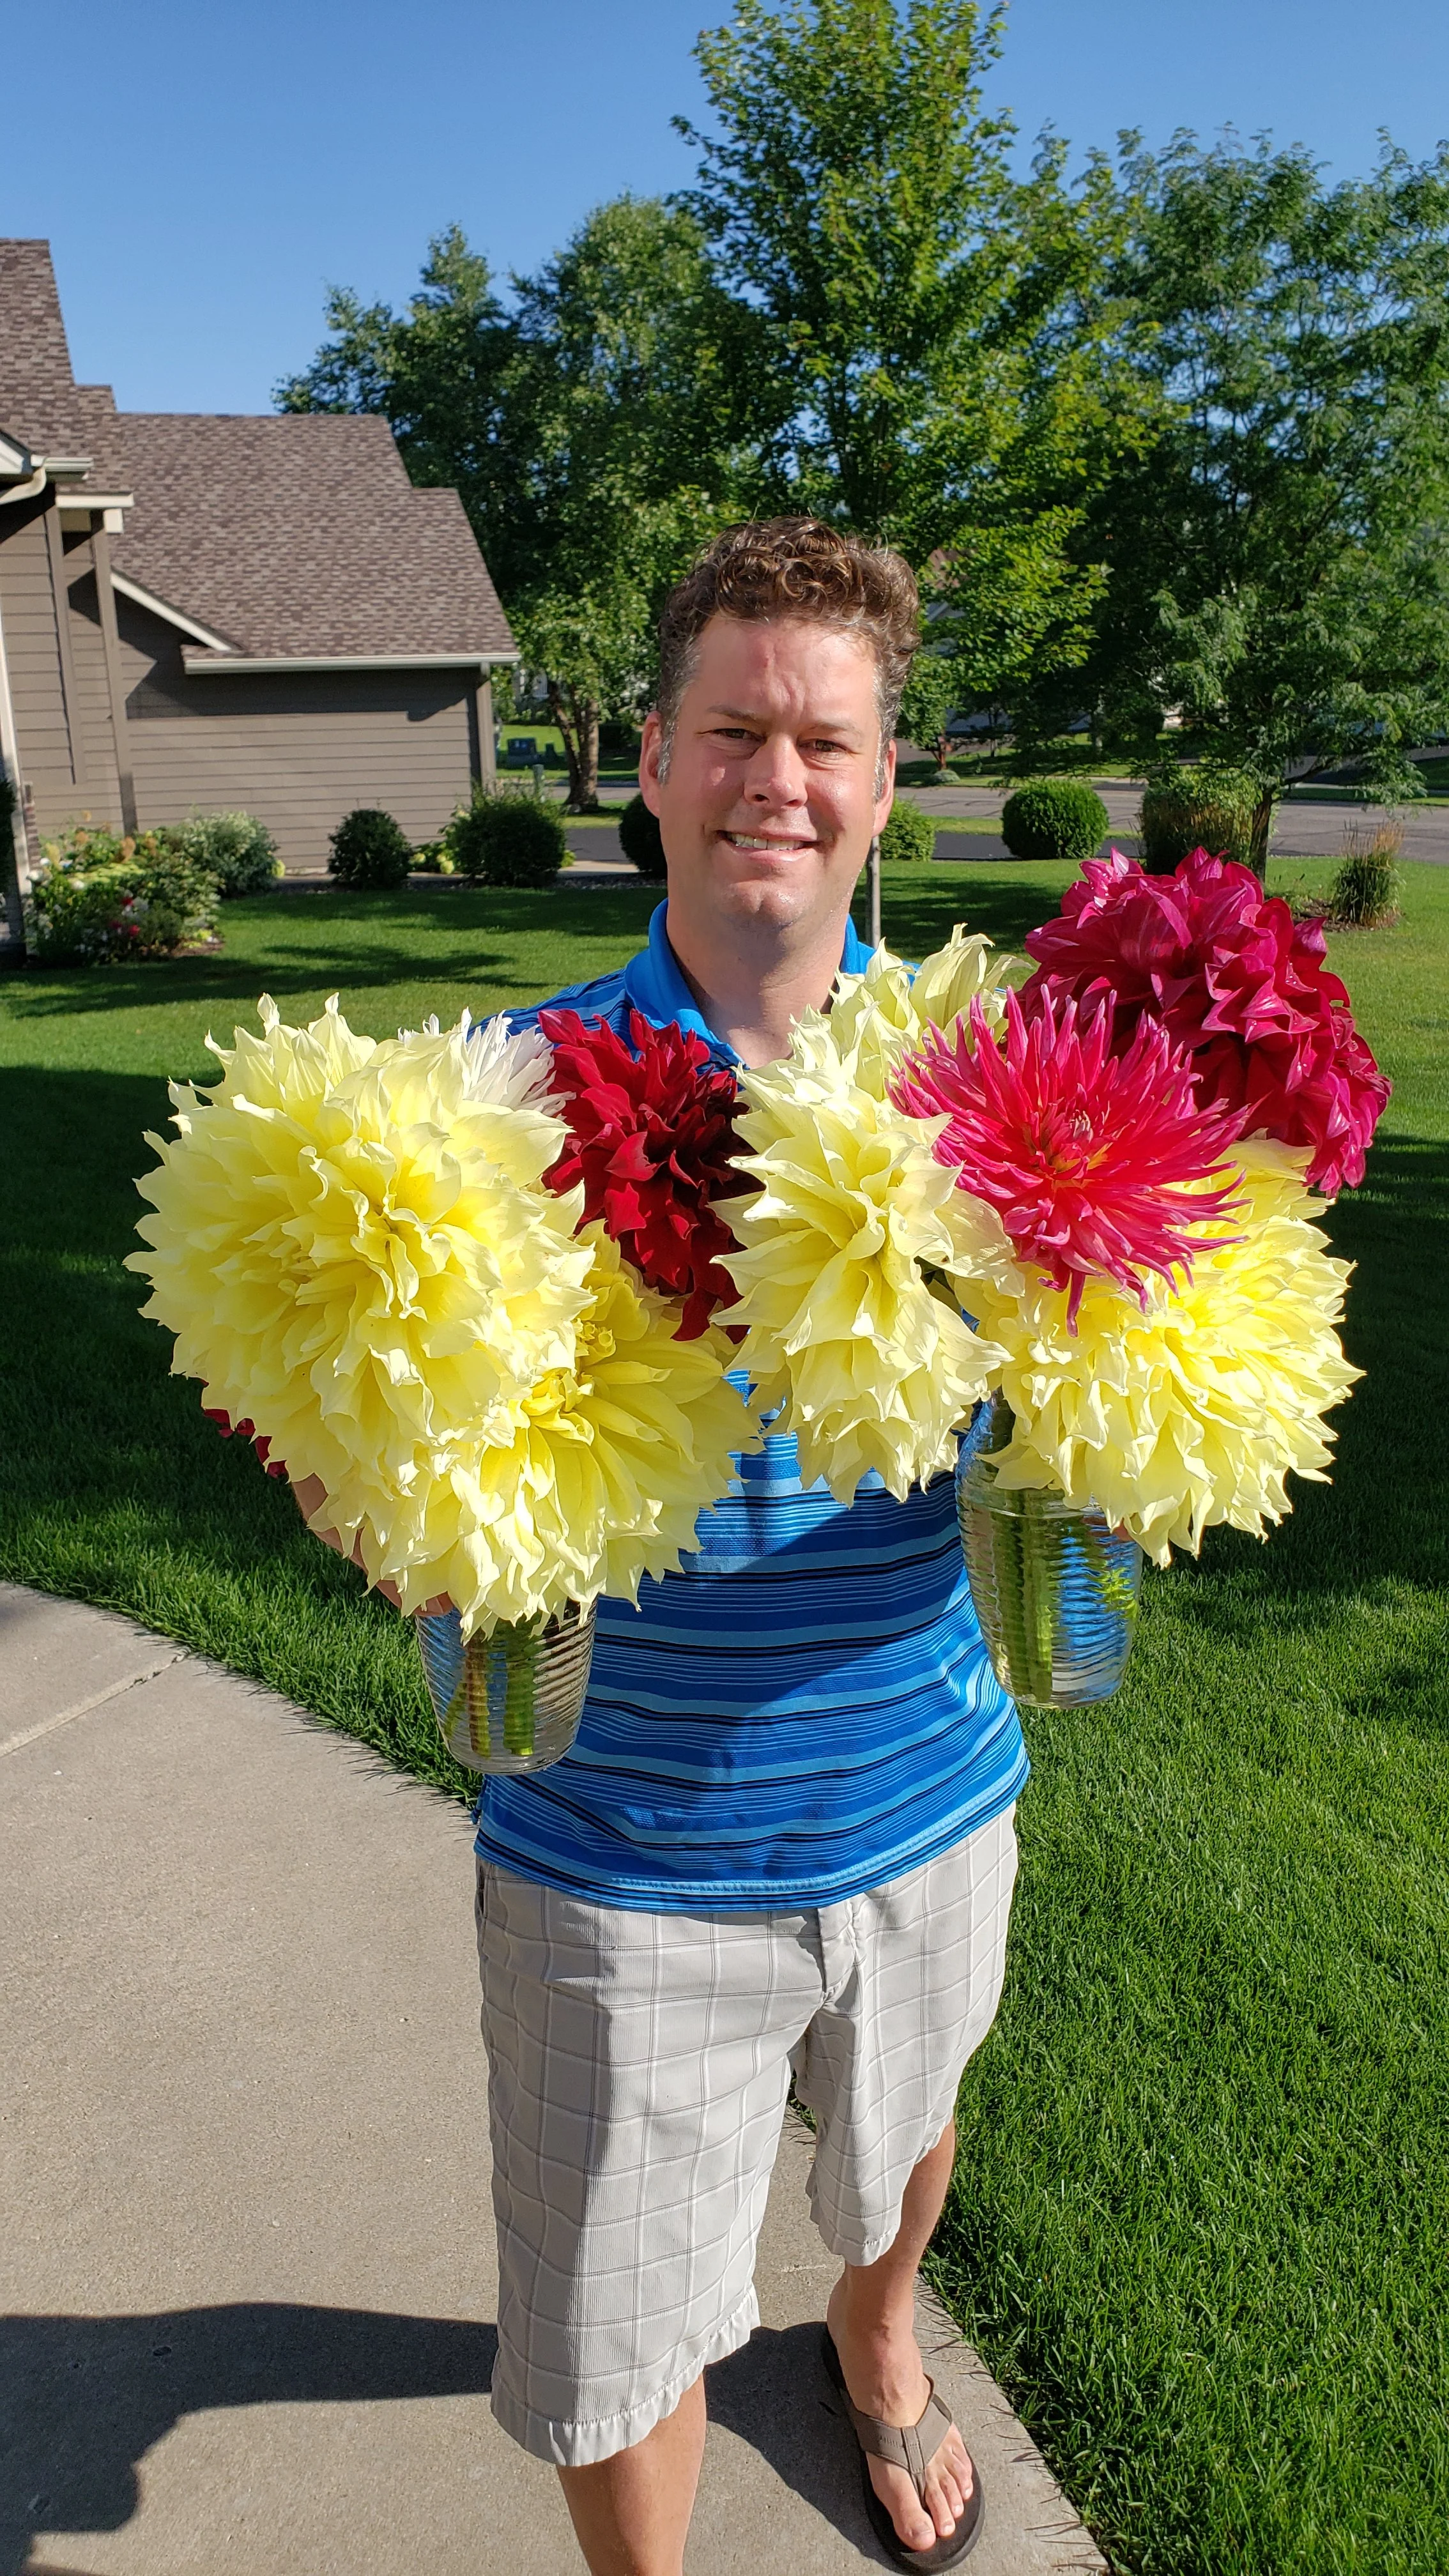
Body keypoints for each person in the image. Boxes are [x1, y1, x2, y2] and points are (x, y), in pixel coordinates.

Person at [305, 518, 1028, 2576]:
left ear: (889, 779)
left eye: (824, 740)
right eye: (732, 729)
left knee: (905, 2134)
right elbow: (348, 1430)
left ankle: (877, 2344)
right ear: (649, 754)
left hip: (923, 1789)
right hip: (618, 1850)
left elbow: (1107, 1384)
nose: (774, 780)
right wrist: (380, 1505)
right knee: (617, 2326)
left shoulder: (987, 1087)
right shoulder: (502, 1092)